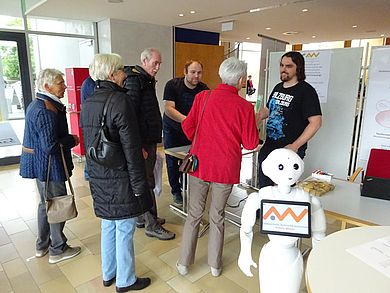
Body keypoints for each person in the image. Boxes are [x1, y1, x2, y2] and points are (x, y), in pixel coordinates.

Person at [176, 57, 259, 277]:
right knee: (217, 215)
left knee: (194, 213)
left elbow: (187, 125)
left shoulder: (203, 96)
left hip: (199, 164)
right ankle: (215, 265)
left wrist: (203, 141)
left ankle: (184, 263)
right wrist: (259, 117)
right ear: (241, 80)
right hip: (225, 168)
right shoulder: (244, 107)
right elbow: (251, 143)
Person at [80, 53, 152, 292]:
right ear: (112, 74)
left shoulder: (88, 102)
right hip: (121, 177)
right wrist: (140, 186)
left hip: (99, 175)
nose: (125, 75)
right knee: (124, 228)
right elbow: (132, 151)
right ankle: (126, 280)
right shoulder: (121, 102)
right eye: (122, 70)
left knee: (108, 225)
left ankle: (108, 273)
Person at [19, 68, 81, 264]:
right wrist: (72, 139)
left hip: (41, 165)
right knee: (57, 204)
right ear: (47, 86)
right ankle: (58, 248)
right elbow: (50, 146)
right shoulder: (45, 110)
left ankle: (42, 245)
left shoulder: (39, 104)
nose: (64, 86)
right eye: (60, 83)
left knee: (45, 204)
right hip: (49, 166)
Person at [124, 48, 175, 241]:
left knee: (146, 180)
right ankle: (151, 224)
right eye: (155, 63)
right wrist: (138, 146)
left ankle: (142, 217)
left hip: (148, 139)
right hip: (143, 142)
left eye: (160, 63)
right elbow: (131, 117)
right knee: (147, 182)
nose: (158, 67)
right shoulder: (135, 81)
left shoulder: (145, 79)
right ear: (144, 61)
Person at [256, 51, 322, 188]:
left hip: (290, 149)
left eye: (288, 66)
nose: (283, 69)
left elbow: (316, 123)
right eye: (281, 65)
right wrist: (256, 118)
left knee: (285, 189)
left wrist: (295, 146)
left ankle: (283, 210)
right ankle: (264, 209)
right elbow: (269, 110)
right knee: (264, 186)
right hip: (269, 146)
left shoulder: (306, 91)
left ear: (298, 68)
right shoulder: (278, 87)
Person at [163, 60, 208, 205]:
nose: (196, 76)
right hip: (172, 129)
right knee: (172, 161)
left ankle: (186, 186)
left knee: (189, 159)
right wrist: (188, 121)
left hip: (190, 131)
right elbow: (169, 109)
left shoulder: (204, 89)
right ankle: (176, 191)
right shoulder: (172, 85)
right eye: (193, 72)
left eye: (199, 72)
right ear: (185, 72)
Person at [80, 74, 95, 181]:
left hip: (88, 121)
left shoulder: (87, 82)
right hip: (92, 122)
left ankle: (88, 172)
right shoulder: (90, 84)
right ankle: (88, 173)